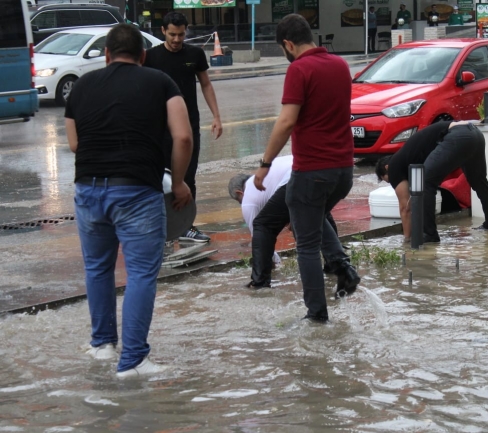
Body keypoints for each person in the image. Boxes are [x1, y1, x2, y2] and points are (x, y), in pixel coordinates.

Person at [65, 24, 193, 378]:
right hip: (136, 191)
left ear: (106, 54)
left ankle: (102, 345)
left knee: (98, 268)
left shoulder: (81, 86)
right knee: (140, 274)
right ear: (142, 56)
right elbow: (182, 137)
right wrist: (179, 183)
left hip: (88, 190)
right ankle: (133, 361)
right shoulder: (160, 82)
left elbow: (75, 144)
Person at [252, 14, 359, 323]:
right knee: (310, 216)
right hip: (343, 171)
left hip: (312, 169)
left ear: (288, 44)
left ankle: (316, 315)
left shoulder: (299, 69)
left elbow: (286, 121)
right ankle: (343, 268)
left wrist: (264, 166)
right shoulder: (340, 65)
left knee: (306, 243)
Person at [144, 11, 223, 243]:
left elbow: (206, 85)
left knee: (188, 177)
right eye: (172, 34)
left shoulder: (195, 54)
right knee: (160, 177)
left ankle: (187, 225)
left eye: (180, 34)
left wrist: (217, 116)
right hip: (160, 128)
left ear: (186, 31)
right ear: (163, 32)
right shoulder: (150, 57)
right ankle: (160, 226)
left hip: (189, 126)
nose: (177, 39)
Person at [228, 155, 348, 290]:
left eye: (239, 201)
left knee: (262, 226)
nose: (241, 204)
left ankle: (259, 283)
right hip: (328, 169)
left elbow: (259, 238)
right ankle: (336, 266)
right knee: (318, 215)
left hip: (299, 176)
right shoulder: (272, 173)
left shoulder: (248, 198)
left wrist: (276, 264)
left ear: (240, 192)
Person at [375, 121, 488, 243]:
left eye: (389, 180)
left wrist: (407, 240)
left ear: (386, 168)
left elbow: (405, 208)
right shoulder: (409, 156)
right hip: (475, 134)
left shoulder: (394, 166)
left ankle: (429, 234)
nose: (394, 184)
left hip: (458, 136)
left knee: (426, 182)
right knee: (479, 182)